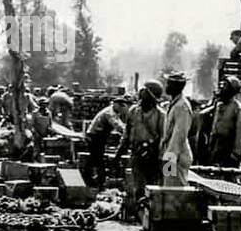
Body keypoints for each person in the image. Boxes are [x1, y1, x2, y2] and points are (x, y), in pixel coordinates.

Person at [115, 80, 166, 215]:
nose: (140, 94)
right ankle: (140, 215)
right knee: (138, 187)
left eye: (144, 92)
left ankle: (151, 216)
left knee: (153, 187)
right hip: (137, 153)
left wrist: (163, 163)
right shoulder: (133, 111)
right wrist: (118, 153)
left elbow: (164, 140)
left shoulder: (161, 115)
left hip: (153, 156)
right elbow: (126, 135)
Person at [83, 94, 130, 189]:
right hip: (95, 136)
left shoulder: (114, 112)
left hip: (100, 137)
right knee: (97, 159)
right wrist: (127, 133)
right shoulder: (109, 113)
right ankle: (98, 181)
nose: (122, 109)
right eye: (121, 106)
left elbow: (120, 124)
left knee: (95, 158)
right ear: (116, 105)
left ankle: (92, 179)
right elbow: (117, 125)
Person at [160, 72, 194, 187]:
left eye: (169, 84)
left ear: (176, 87)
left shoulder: (182, 106)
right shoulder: (174, 104)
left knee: (176, 190)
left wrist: (169, 158)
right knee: (168, 186)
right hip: (171, 154)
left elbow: (179, 136)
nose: (166, 87)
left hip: (176, 156)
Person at [209, 75, 241, 169]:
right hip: (216, 146)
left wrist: (236, 153)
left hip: (229, 147)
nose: (222, 87)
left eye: (225, 85)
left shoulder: (238, 108)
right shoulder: (219, 105)